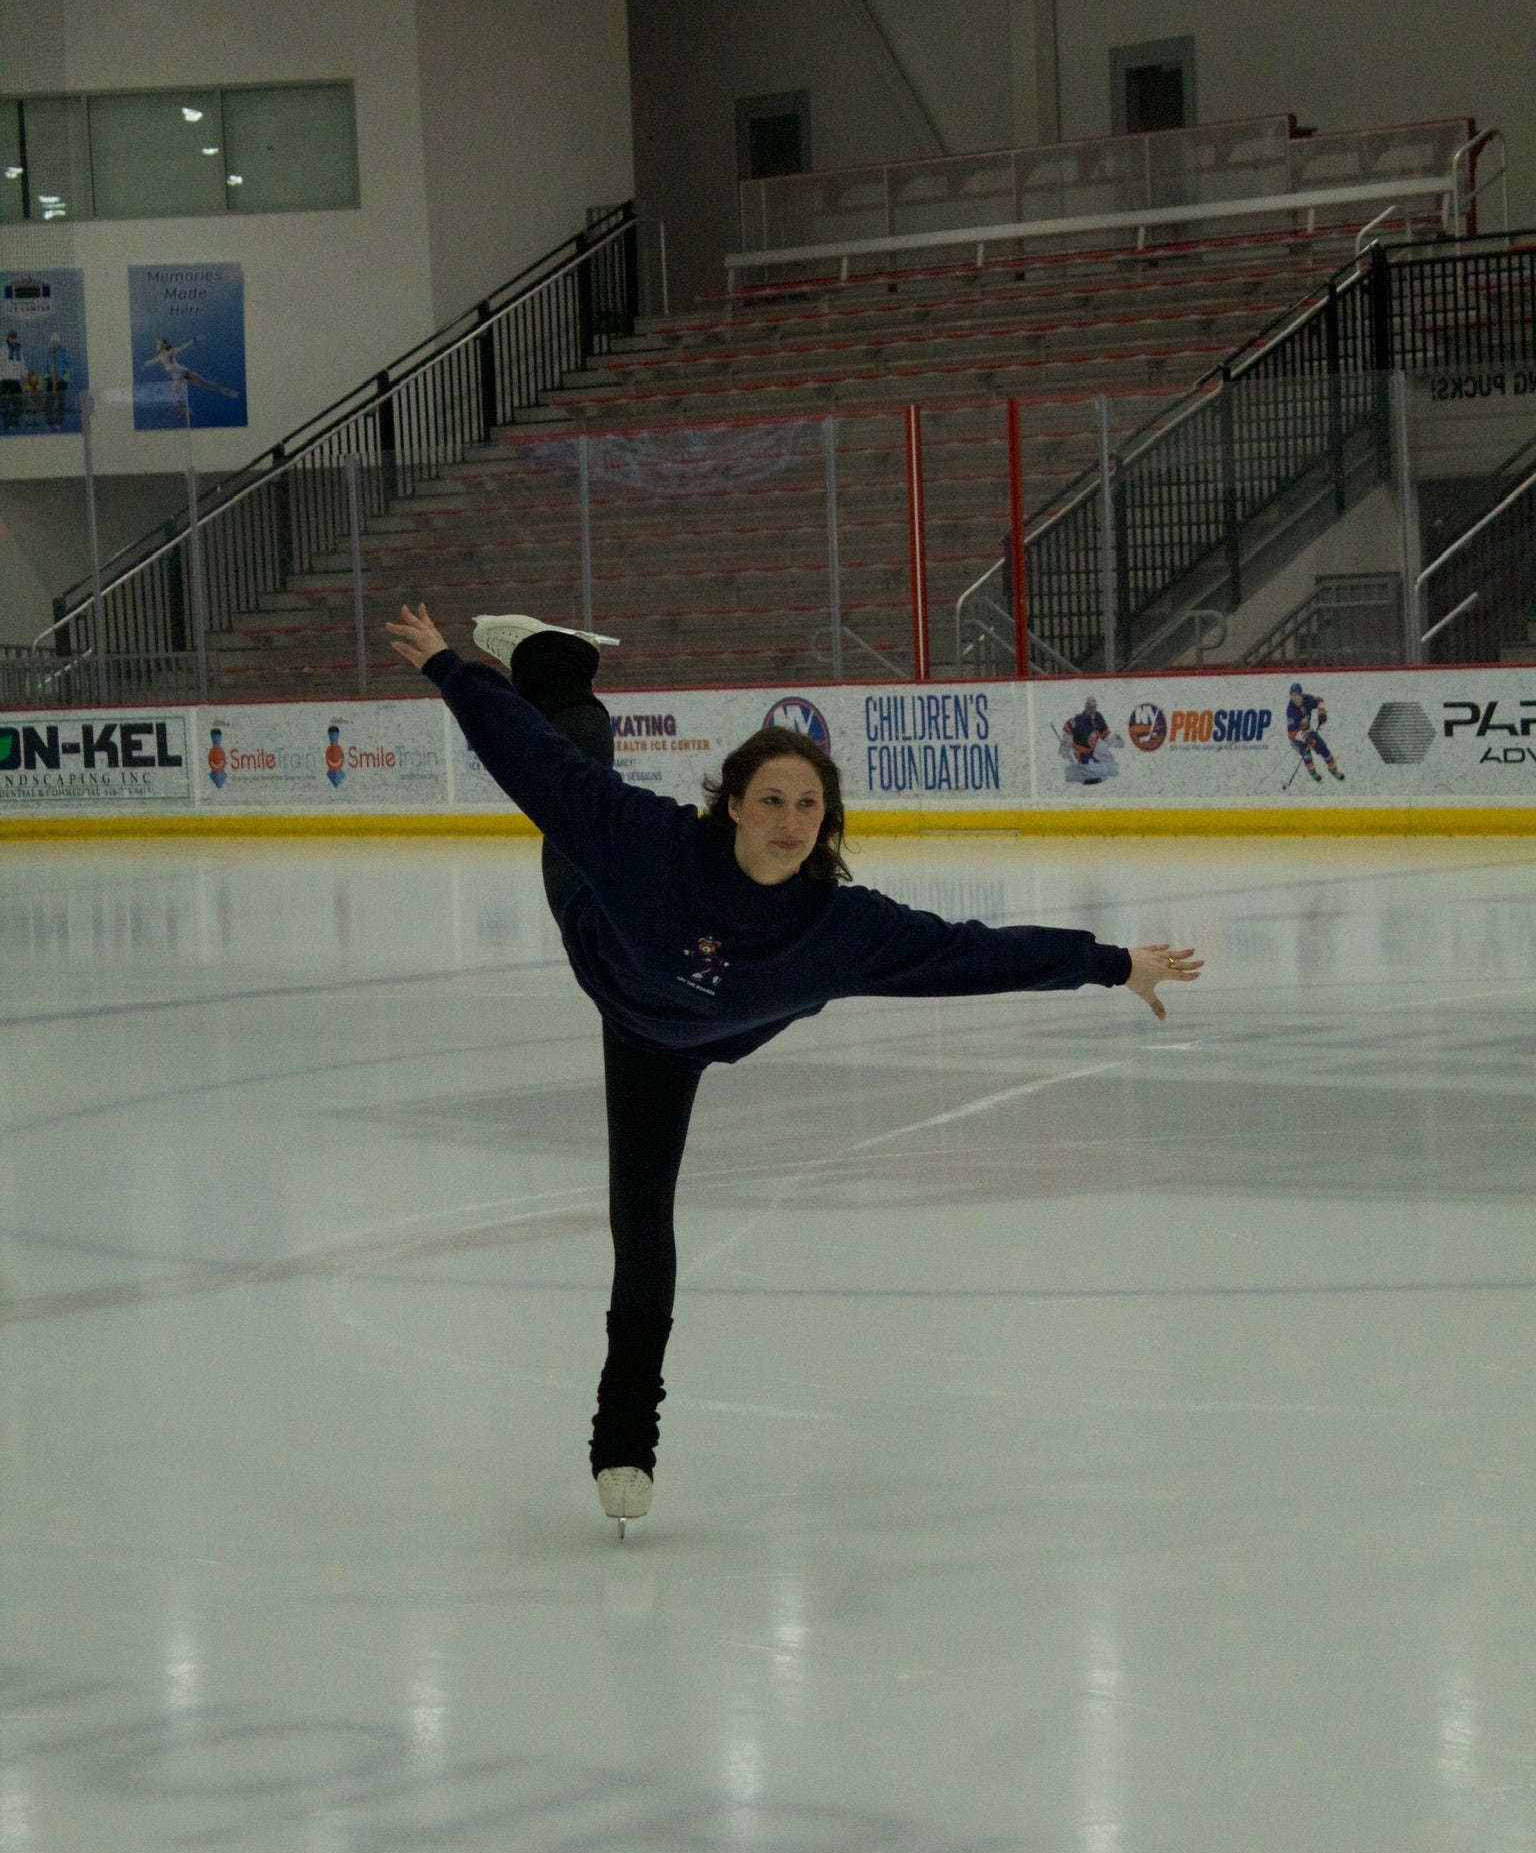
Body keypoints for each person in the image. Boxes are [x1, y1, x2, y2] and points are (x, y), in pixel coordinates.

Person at [387, 605, 1203, 1531]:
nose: (790, 821)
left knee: (645, 1224)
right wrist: (454, 672)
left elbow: (974, 954)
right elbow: (532, 766)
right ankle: (549, 655)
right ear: (732, 803)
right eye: (771, 800)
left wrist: (1112, 964)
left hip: (679, 1044)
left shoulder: (842, 930)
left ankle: (623, 1448)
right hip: (602, 924)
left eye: (808, 805)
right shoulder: (652, 845)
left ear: (829, 818)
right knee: (577, 759)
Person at [1286, 682, 1344, 784]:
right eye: (1292, 695)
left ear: (1301, 695)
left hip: (1308, 730)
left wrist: (1322, 712)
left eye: (1296, 695)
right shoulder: (1291, 711)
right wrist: (1307, 739)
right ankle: (1312, 772)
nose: (1294, 698)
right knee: (1306, 751)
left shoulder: (1308, 699)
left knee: (1323, 748)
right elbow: (1292, 734)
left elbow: (1320, 700)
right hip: (1296, 737)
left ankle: (1333, 770)